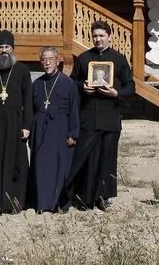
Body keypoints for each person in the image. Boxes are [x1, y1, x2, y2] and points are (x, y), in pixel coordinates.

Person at [66, 20, 134, 211]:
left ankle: (103, 197)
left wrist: (117, 94)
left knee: (107, 159)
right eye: (95, 36)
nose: (98, 39)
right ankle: (84, 198)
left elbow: (130, 86)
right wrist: (83, 87)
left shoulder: (119, 59)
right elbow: (73, 83)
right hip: (88, 117)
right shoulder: (84, 58)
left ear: (109, 37)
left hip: (110, 117)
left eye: (102, 36)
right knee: (87, 158)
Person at [0, 29, 32, 214]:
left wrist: (27, 126)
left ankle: (14, 203)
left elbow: (28, 101)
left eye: (7, 47)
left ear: (13, 48)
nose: (3, 51)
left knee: (14, 161)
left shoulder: (23, 71)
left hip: (15, 122)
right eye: (0, 47)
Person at [27, 46, 79, 214]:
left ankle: (60, 203)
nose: (47, 62)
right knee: (42, 168)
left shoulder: (68, 83)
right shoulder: (37, 84)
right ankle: (43, 204)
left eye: (51, 59)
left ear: (58, 61)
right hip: (41, 131)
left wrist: (73, 133)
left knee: (60, 168)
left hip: (61, 130)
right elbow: (30, 110)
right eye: (44, 59)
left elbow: (74, 110)